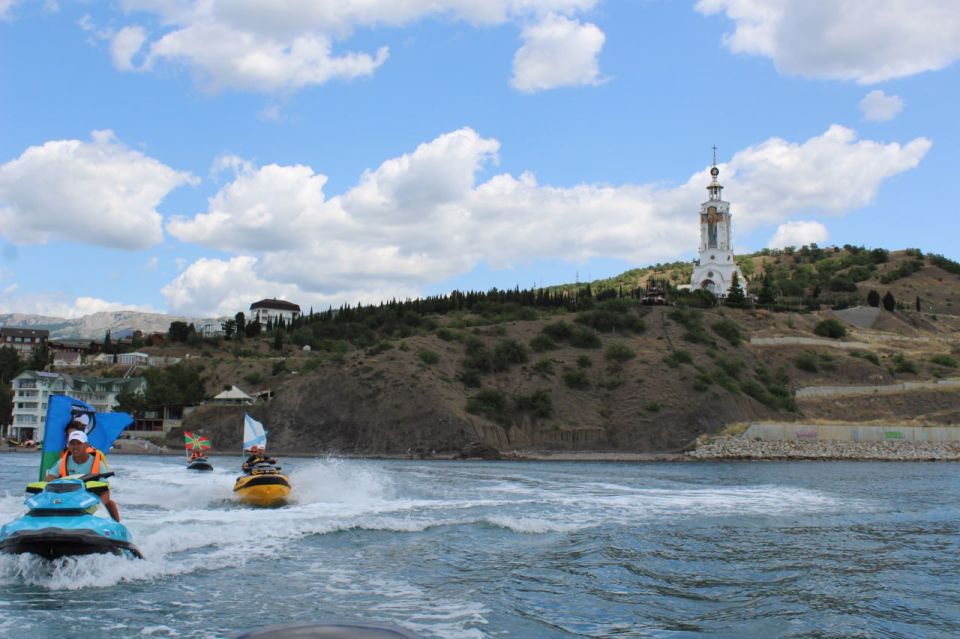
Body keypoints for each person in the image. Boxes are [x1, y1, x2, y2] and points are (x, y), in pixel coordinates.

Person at [45, 430, 122, 522]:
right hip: (66, 500)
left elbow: (105, 491)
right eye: (72, 444)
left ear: (86, 445)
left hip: (90, 501)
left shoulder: (98, 463)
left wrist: (99, 506)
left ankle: (117, 525)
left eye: (79, 443)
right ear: (68, 446)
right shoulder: (61, 462)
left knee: (110, 504)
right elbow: (47, 482)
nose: (75, 447)